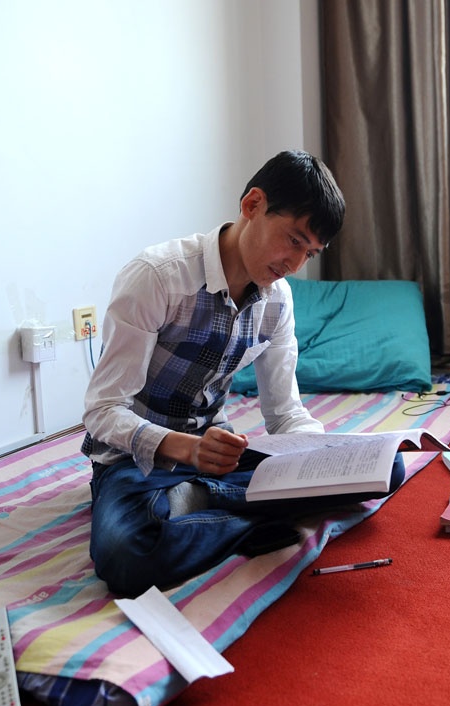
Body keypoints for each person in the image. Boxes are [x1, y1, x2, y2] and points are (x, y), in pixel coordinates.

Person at [81, 150, 404, 597]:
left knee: (388, 469)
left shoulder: (278, 300)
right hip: (136, 458)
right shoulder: (157, 277)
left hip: (220, 457)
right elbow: (102, 411)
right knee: (126, 555)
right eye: (293, 240)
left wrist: (325, 454)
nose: (295, 265)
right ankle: (246, 515)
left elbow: (285, 414)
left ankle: (198, 504)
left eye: (309, 253)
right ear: (253, 205)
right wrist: (189, 451)